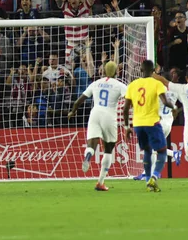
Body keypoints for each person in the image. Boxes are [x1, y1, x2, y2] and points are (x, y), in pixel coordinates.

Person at [68, 61, 127, 191]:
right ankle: (100, 182)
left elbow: (79, 100)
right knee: (108, 149)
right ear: (117, 72)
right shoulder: (119, 85)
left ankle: (88, 156)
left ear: (104, 71)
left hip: (95, 114)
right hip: (109, 115)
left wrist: (73, 111)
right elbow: (129, 99)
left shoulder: (95, 83)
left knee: (91, 145)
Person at [123, 60, 176, 192]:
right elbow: (165, 101)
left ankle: (147, 181)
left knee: (147, 151)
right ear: (153, 71)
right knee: (162, 152)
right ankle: (154, 176)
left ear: (141, 70)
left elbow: (125, 109)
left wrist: (126, 127)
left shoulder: (132, 85)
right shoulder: (157, 84)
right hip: (152, 122)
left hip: (137, 124)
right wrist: (174, 107)